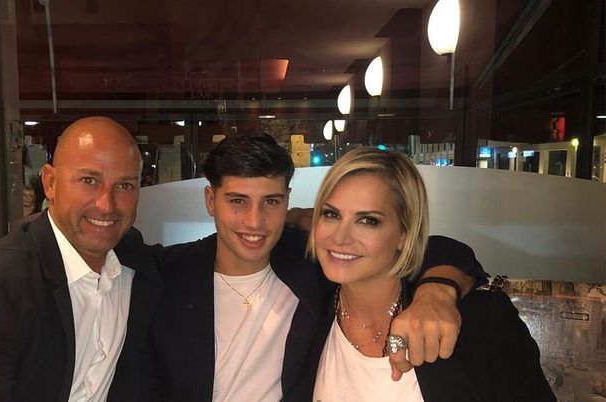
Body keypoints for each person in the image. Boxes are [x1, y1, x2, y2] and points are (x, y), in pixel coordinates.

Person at [138, 134, 487, 401]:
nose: (254, 221)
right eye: (238, 201)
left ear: (287, 199)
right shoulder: (168, 272)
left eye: (271, 201)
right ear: (210, 200)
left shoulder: (309, 264)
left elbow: (437, 248)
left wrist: (436, 292)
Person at [0, 116, 162, 401]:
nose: (106, 204)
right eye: (89, 180)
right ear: (50, 183)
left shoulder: (134, 264)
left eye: (125, 185)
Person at [308, 147, 555, 401]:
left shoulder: (479, 322)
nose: (340, 237)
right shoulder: (305, 309)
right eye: (331, 214)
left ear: (405, 234)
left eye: (368, 220)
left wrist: (437, 293)